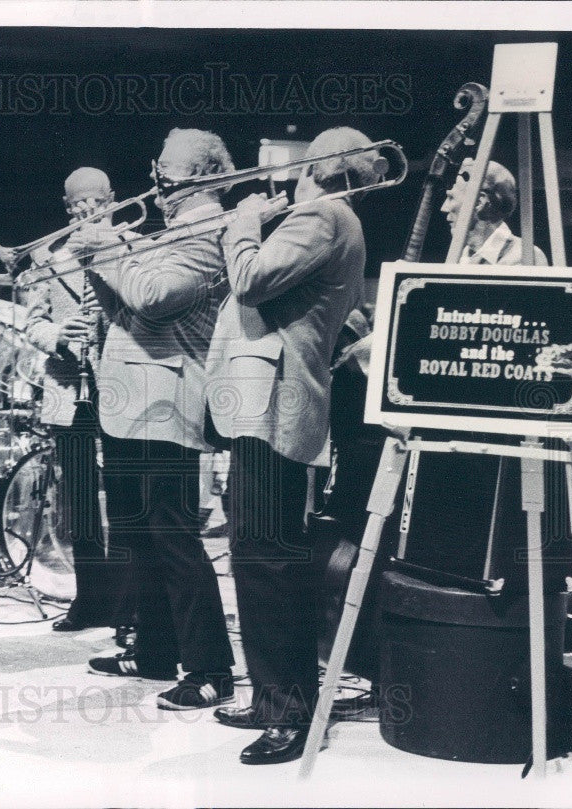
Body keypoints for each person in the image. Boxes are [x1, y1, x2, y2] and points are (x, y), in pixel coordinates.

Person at [205, 127, 373, 764]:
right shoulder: (330, 217)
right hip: (264, 403)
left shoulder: (324, 215)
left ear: (323, 167)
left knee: (269, 561)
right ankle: (271, 692)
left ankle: (289, 713)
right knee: (253, 555)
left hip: (276, 405)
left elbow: (249, 280)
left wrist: (243, 223)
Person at [84, 129, 236, 711]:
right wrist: (100, 271)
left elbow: (155, 296)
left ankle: (210, 669)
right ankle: (153, 650)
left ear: (200, 175)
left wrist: (106, 252)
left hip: (168, 402)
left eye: (167, 171)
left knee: (172, 536)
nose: (155, 181)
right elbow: (126, 309)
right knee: (136, 534)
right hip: (128, 397)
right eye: (157, 166)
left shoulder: (207, 229)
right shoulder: (170, 230)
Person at [21, 167, 135, 634]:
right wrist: (58, 337)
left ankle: (129, 609)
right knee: (80, 502)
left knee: (128, 499)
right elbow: (33, 323)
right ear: (66, 208)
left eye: (95, 202)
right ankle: (92, 599)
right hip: (69, 391)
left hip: (121, 388)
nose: (86, 210)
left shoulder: (128, 248)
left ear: (111, 199)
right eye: (76, 205)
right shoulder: (47, 259)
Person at [442, 157, 547, 266]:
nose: (444, 208)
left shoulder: (525, 257)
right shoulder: (461, 256)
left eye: (451, 198)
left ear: (479, 202)